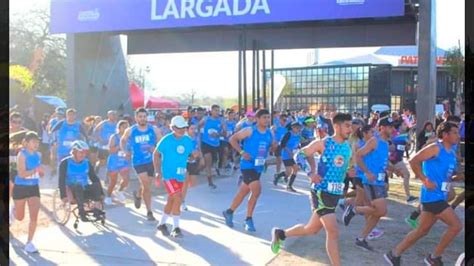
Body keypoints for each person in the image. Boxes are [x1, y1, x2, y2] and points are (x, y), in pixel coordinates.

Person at [270, 113, 353, 266]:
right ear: (336, 126)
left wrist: (350, 172)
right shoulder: (323, 143)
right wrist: (310, 173)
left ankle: (281, 234)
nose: (350, 129)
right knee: (333, 232)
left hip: (334, 194)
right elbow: (299, 155)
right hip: (321, 192)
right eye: (347, 126)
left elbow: (342, 167)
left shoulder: (347, 147)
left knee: (311, 229)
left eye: (351, 126)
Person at [384, 122, 463, 266]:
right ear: (445, 135)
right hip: (433, 197)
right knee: (456, 225)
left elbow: (446, 175)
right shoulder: (435, 148)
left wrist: (459, 177)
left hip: (440, 195)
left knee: (422, 230)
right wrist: (424, 179)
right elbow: (414, 161)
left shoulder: (451, 152)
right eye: (455, 133)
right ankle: (434, 258)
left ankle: (394, 254)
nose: (459, 135)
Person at [342, 116, 394, 251]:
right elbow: (358, 155)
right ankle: (354, 209)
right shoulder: (374, 141)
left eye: (392, 127)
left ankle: (361, 239)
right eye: (389, 127)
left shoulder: (386, 144)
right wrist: (366, 172)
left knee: (377, 213)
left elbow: (381, 161)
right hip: (371, 181)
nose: (391, 129)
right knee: (381, 210)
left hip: (380, 181)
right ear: (381, 128)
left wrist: (393, 169)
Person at [222, 109, 276, 232]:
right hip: (247, 165)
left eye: (268, 117)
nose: (267, 120)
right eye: (264, 117)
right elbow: (232, 139)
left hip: (259, 166)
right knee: (257, 190)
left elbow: (270, 146)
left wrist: (273, 147)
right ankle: (248, 219)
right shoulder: (250, 130)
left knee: (243, 192)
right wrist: (242, 152)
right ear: (257, 119)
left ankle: (229, 212)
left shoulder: (269, 133)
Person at [154, 116, 198, 238]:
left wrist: (193, 156)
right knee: (178, 197)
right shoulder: (166, 140)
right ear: (173, 128)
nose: (182, 130)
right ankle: (176, 227)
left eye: (183, 127)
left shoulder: (188, 140)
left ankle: (161, 223)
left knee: (172, 200)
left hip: (181, 175)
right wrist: (157, 171)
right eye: (179, 128)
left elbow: (191, 155)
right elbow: (156, 154)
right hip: (168, 175)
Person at [121, 108, 162, 221]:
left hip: (151, 161)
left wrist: (156, 148)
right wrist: (126, 152)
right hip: (138, 161)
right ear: (136, 118)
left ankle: (138, 195)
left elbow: (161, 142)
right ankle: (149, 211)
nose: (142, 118)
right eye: (140, 116)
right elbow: (123, 141)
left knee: (146, 185)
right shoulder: (131, 130)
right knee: (147, 186)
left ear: (147, 117)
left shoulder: (154, 129)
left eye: (144, 116)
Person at [10, 132, 44, 253]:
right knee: (20, 217)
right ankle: (12, 211)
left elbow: (38, 170)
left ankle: (29, 243)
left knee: (34, 217)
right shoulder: (21, 155)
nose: (36, 144)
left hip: (34, 188)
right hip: (21, 188)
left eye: (37, 142)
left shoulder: (38, 154)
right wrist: (35, 170)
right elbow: (22, 174)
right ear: (26, 142)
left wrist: (40, 173)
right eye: (33, 141)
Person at [58, 141, 104, 222]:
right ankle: (82, 212)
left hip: (84, 187)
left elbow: (93, 177)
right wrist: (63, 195)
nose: (83, 155)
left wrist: (101, 193)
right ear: (74, 151)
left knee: (96, 184)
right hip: (71, 189)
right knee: (78, 186)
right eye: (80, 152)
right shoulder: (65, 163)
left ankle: (96, 211)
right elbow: (61, 179)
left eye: (85, 152)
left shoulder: (87, 162)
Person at [388, 120, 418, 203]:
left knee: (405, 175)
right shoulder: (395, 134)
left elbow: (406, 148)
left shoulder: (405, 135)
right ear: (400, 126)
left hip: (398, 158)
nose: (406, 126)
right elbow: (392, 143)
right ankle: (408, 197)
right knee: (406, 175)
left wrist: (408, 144)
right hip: (393, 159)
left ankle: (408, 196)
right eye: (404, 124)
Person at [198, 105, 227, 189]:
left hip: (215, 144)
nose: (217, 112)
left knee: (210, 163)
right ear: (211, 111)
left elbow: (225, 134)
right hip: (206, 143)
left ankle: (195, 171)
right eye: (215, 110)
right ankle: (210, 182)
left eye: (218, 110)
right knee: (208, 162)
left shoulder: (221, 121)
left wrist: (218, 134)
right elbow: (198, 127)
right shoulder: (206, 119)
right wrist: (200, 136)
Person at [104, 120, 131, 205]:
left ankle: (119, 191)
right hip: (114, 161)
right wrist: (120, 145)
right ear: (119, 128)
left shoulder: (129, 138)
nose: (126, 128)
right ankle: (108, 196)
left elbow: (131, 150)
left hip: (124, 161)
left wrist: (129, 154)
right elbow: (111, 150)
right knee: (113, 181)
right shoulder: (114, 137)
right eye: (124, 127)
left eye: (127, 127)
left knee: (126, 179)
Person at [273, 121, 302, 192]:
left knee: (295, 169)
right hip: (286, 154)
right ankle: (278, 175)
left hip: (294, 155)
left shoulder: (298, 135)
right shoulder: (288, 134)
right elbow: (282, 144)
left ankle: (289, 186)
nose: (298, 129)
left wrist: (298, 150)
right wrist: (289, 152)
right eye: (297, 128)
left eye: (299, 128)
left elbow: (298, 144)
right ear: (292, 128)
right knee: (288, 171)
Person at [181, 124, 203, 211]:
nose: (194, 130)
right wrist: (190, 155)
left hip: (193, 162)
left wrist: (200, 157)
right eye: (192, 128)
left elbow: (198, 148)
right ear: (187, 129)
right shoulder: (184, 139)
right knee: (185, 183)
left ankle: (182, 196)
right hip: (185, 163)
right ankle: (182, 201)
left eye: (195, 129)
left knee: (193, 183)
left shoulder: (196, 138)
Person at [93, 110, 118, 176]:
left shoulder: (117, 124)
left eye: (114, 114)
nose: (113, 116)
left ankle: (107, 176)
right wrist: (99, 139)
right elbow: (95, 130)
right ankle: (96, 169)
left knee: (110, 161)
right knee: (102, 162)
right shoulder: (104, 123)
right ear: (108, 115)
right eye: (111, 114)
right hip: (103, 145)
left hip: (112, 145)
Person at [271, 114, 289, 182]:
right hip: (277, 145)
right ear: (280, 120)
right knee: (279, 159)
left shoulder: (286, 128)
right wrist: (273, 141)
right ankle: (278, 173)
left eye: (285, 120)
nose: (285, 122)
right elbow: (271, 131)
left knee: (280, 160)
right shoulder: (276, 126)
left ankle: (267, 164)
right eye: (283, 120)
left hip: (282, 145)